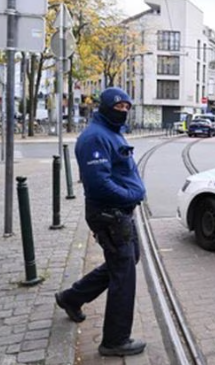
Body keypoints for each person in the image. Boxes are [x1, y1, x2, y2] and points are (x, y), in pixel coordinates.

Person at [54, 87, 147, 357]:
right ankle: (115, 340)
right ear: (105, 107)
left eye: (127, 108)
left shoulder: (110, 132)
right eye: (119, 108)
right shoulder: (95, 137)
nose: (124, 112)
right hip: (110, 214)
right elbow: (98, 184)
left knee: (127, 261)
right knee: (124, 274)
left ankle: (72, 297)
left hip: (120, 214)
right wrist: (133, 193)